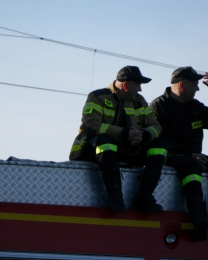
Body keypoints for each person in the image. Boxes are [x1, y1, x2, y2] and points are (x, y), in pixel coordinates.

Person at [69, 66, 168, 213]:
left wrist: (144, 135)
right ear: (126, 85)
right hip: (93, 151)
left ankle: (144, 198)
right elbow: (91, 125)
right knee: (105, 141)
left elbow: (156, 126)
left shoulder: (139, 101)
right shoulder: (97, 96)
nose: (140, 90)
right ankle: (115, 198)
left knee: (160, 145)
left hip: (126, 151)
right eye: (138, 85)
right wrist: (123, 133)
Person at [150, 67, 208, 241]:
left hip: (194, 158)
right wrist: (191, 155)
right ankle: (199, 220)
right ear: (182, 85)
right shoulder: (159, 106)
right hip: (168, 157)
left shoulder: (195, 107)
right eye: (195, 85)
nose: (198, 89)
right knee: (190, 169)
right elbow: (159, 141)